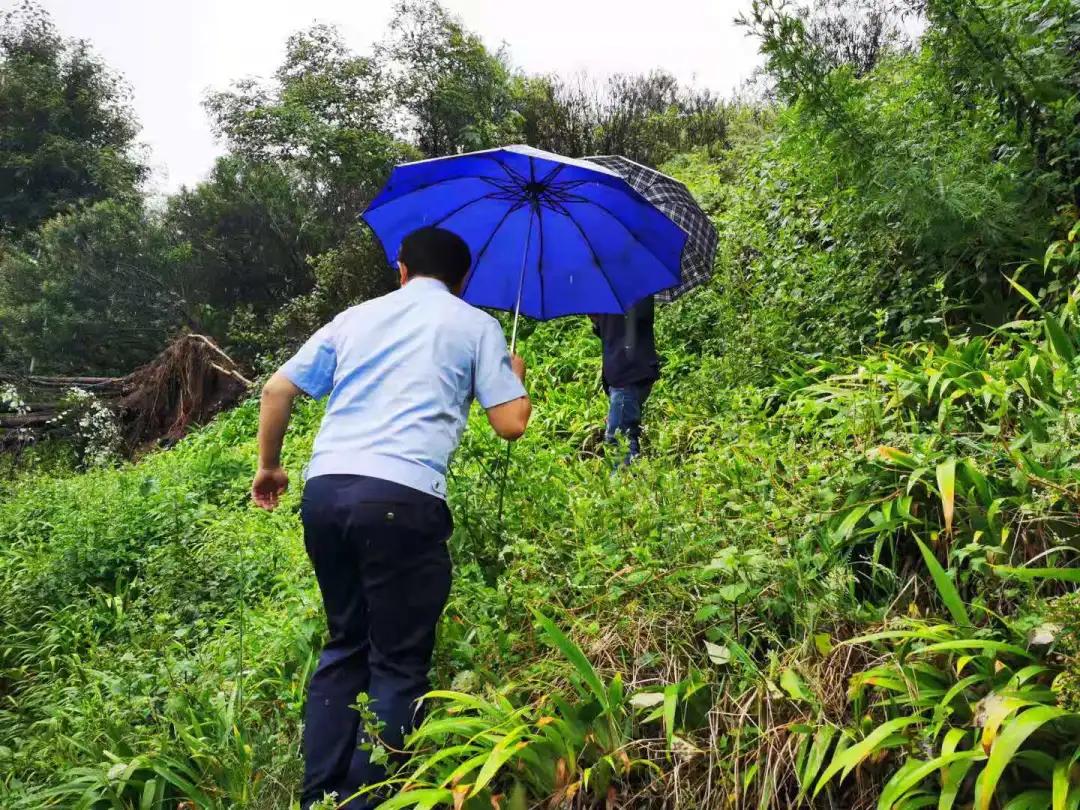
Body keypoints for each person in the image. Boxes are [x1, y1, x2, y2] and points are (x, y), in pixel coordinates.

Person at [250, 226, 531, 810]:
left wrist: (270, 468)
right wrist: (516, 381)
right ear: (464, 281)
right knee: (398, 662)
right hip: (402, 497)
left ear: (401, 270)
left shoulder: (354, 317)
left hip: (325, 492)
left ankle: (318, 797)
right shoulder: (475, 324)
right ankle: (364, 802)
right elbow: (511, 424)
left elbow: (277, 389)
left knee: (345, 644)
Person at [590, 295, 658, 465]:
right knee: (623, 436)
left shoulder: (635, 286)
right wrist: (597, 317)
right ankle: (632, 485)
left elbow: (637, 320)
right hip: (620, 373)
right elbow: (609, 333)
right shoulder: (610, 292)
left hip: (629, 372)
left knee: (619, 440)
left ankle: (623, 488)